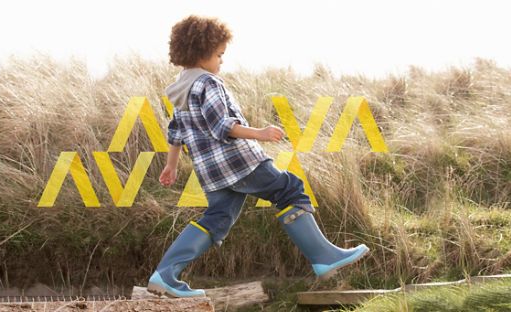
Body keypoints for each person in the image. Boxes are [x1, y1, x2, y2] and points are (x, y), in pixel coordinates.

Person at [147, 15, 369, 298]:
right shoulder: (209, 84)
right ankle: (323, 257)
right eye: (219, 54)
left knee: (217, 218)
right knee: (289, 189)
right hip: (238, 163)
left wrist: (171, 165)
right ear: (203, 53)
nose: (221, 61)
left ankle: (165, 275)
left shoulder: (181, 90)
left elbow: (176, 131)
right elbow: (221, 126)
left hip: (211, 173)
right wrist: (260, 133)